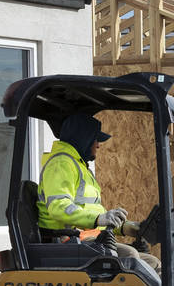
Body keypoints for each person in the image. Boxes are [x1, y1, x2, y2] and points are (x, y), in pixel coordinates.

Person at [37, 113, 161, 270]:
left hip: (86, 241)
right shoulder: (61, 164)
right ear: (84, 138)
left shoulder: (78, 166)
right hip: (65, 243)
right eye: (95, 139)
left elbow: (93, 214)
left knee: (152, 263)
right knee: (130, 257)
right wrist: (98, 218)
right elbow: (59, 208)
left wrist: (127, 228)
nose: (98, 145)